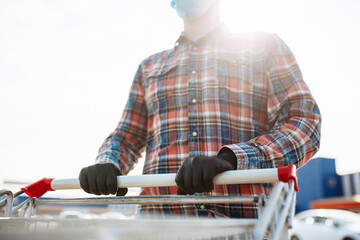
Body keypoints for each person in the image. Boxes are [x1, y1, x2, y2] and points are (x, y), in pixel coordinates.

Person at [79, 0, 321, 218]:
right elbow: (126, 136)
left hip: (243, 228)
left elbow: (304, 123)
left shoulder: (263, 48)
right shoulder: (149, 68)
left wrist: (231, 159)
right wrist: (108, 162)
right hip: (157, 228)